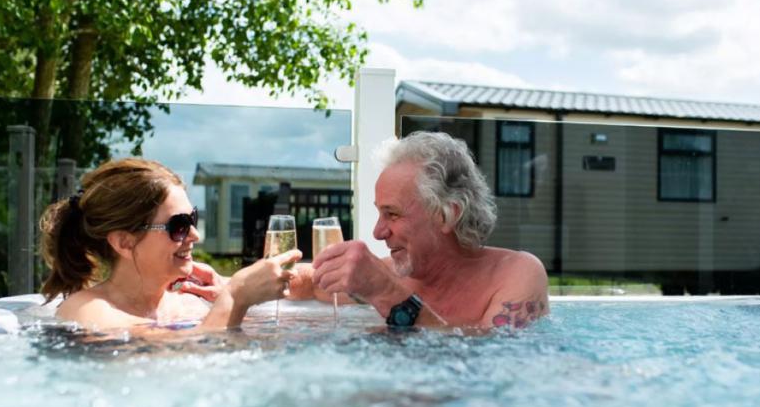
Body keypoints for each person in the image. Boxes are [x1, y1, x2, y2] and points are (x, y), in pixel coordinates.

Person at [309, 131, 549, 329]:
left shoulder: (517, 274)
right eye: (379, 213)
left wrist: (389, 294)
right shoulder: (395, 273)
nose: (378, 232)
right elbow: (311, 283)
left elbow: (493, 364)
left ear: (446, 215)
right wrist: (274, 272)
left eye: (392, 214)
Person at [39, 158, 300, 331]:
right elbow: (178, 360)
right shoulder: (86, 312)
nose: (195, 235)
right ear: (124, 242)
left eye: (193, 218)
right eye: (179, 225)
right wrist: (235, 295)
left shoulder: (192, 305)